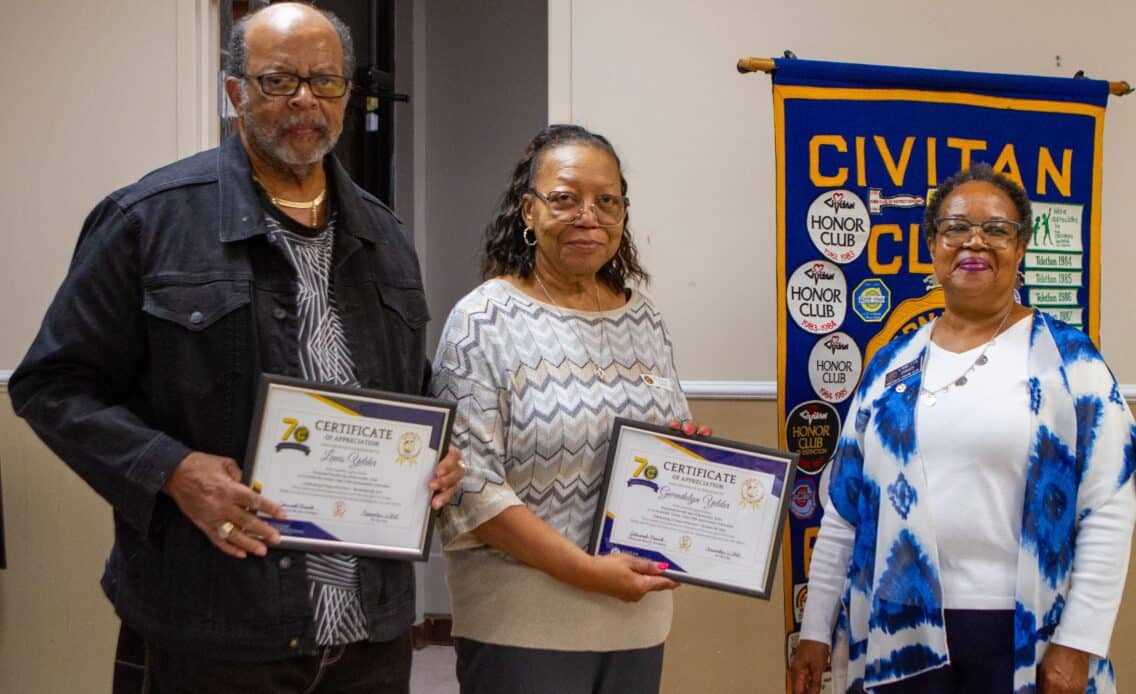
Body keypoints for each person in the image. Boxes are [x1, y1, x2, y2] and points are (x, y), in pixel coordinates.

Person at [8, 4, 463, 692]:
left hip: (370, 635)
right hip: (215, 627)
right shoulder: (148, 219)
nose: (305, 99)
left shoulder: (385, 235)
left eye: (325, 81)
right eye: (279, 81)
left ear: (346, 94)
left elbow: (405, 385)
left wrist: (437, 454)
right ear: (235, 92)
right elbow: (51, 384)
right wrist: (171, 469)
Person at [790, 164, 1136, 694]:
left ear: (1020, 247)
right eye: (956, 228)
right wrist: (816, 630)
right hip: (895, 628)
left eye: (997, 229)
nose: (974, 242)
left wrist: (1078, 642)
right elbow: (844, 511)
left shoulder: (1069, 364)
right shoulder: (891, 365)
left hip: (1020, 633)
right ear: (933, 245)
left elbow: (1110, 506)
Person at [430, 124, 706, 693]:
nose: (589, 216)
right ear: (528, 211)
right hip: (522, 627)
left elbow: (668, 437)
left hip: (636, 620)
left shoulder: (643, 319)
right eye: (565, 198)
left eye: (607, 201)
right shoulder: (483, 321)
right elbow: (472, 489)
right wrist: (588, 573)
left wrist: (687, 456)